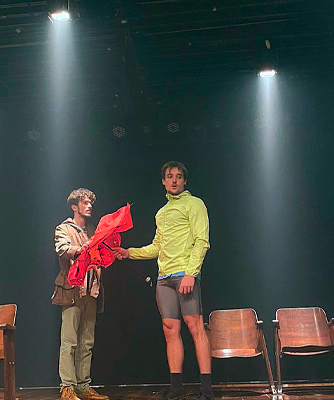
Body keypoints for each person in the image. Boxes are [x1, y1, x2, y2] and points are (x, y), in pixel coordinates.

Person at [115, 161, 213, 400]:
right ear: (163, 181)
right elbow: (156, 247)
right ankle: (177, 388)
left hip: (184, 274)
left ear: (184, 181)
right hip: (164, 278)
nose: (174, 180)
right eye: (170, 176)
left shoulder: (194, 204)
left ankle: (207, 390)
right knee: (170, 330)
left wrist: (191, 273)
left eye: (179, 176)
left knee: (195, 327)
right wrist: (129, 253)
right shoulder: (161, 213)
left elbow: (202, 240)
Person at [52, 188, 109, 400]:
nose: (89, 206)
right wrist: (85, 247)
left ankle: (83, 386)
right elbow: (62, 249)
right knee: (69, 340)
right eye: (84, 203)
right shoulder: (64, 228)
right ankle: (67, 387)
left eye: (90, 203)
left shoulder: (94, 230)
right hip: (73, 289)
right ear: (74, 207)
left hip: (91, 290)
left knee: (87, 341)